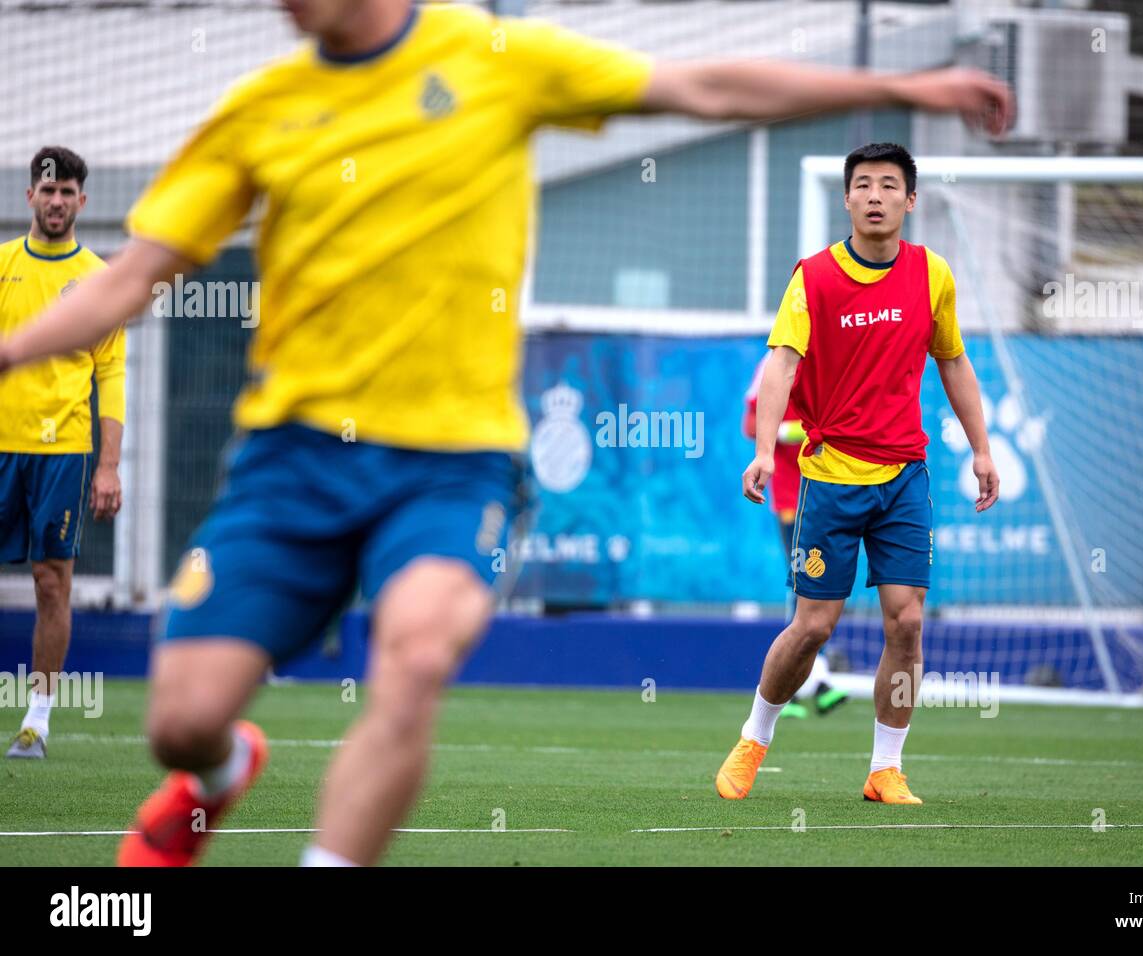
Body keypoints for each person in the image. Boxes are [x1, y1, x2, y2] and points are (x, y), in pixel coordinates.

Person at [0, 0, 1011, 865]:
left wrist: (905, 87)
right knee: (180, 717)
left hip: (452, 460)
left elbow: (703, 89)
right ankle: (222, 765)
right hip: (292, 456)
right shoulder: (259, 112)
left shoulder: (492, 58)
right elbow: (128, 280)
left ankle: (881, 761)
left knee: (414, 655)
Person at [717, 143, 1000, 804]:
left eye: (889, 185)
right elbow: (782, 364)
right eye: (864, 185)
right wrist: (764, 451)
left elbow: (953, 362)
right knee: (815, 626)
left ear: (910, 200)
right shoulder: (813, 277)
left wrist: (983, 449)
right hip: (832, 477)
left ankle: (885, 768)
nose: (875, 195)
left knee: (907, 624)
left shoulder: (933, 275)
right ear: (846, 200)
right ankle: (755, 737)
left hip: (905, 477)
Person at [2, 146, 125, 760]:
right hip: (1, 449)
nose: (55, 201)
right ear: (29, 197)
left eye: (66, 192)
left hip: (64, 456)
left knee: (52, 584)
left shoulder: (102, 281)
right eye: (46, 191)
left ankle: (37, 720)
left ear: (82, 200)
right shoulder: (1, 266)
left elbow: (114, 373)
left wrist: (108, 464)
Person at [742, 351, 846, 719]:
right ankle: (803, 685)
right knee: (803, 588)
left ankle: (811, 682)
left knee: (821, 588)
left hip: (839, 493)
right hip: (793, 496)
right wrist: (801, 431)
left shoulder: (839, 357)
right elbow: (751, 423)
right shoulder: (776, 363)